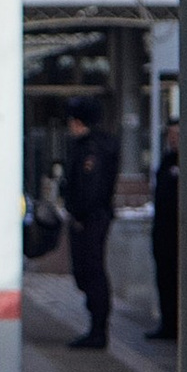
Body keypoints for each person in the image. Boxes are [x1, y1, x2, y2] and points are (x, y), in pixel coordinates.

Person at [60, 97, 119, 350]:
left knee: (91, 272)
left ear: (78, 121)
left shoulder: (92, 149)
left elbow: (90, 188)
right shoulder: (90, 146)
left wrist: (80, 214)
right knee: (86, 273)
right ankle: (96, 327)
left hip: (90, 219)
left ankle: (98, 330)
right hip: (90, 218)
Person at [150, 115, 180, 343]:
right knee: (165, 280)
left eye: (176, 135)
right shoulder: (167, 162)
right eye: (170, 135)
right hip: (163, 233)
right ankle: (167, 323)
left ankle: (177, 325)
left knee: (178, 282)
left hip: (179, 234)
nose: (172, 139)